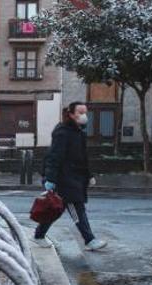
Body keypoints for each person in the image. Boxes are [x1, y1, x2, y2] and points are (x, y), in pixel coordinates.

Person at [32, 101, 107, 251]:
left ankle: (39, 236)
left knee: (55, 209)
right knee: (76, 209)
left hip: (74, 178)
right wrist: (50, 179)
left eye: (85, 112)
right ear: (71, 114)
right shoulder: (63, 132)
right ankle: (89, 240)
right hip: (65, 179)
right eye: (80, 112)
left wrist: (89, 175)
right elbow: (54, 156)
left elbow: (82, 157)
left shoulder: (78, 132)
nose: (84, 116)